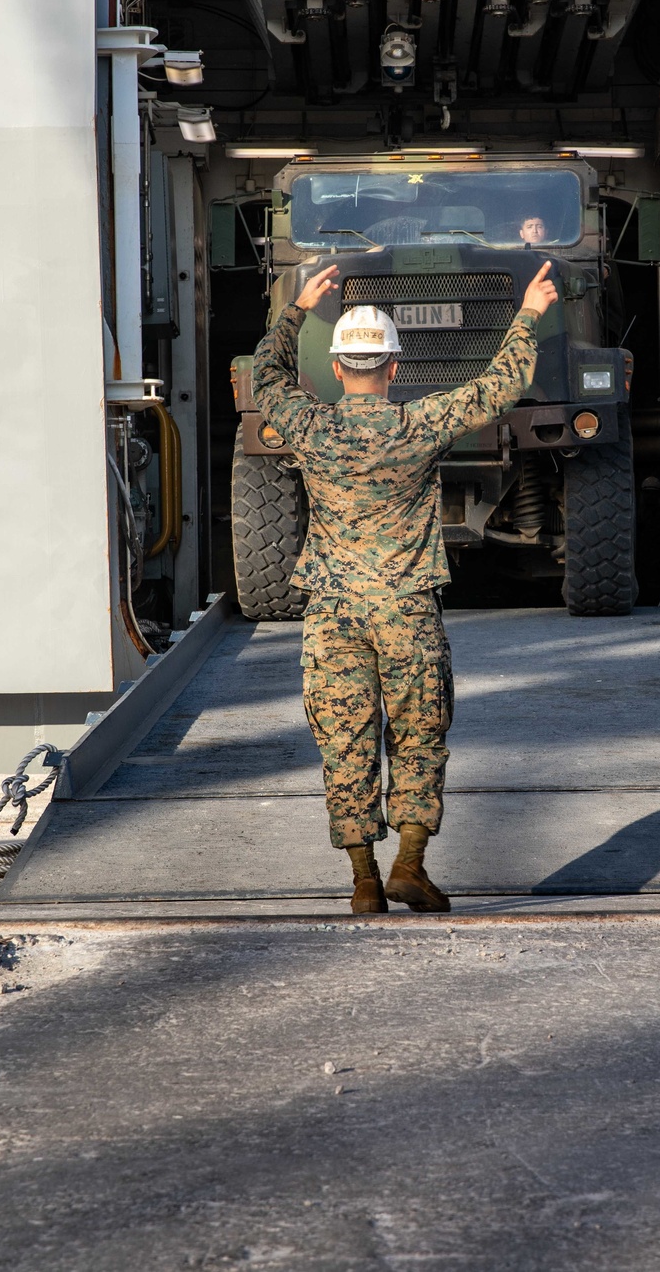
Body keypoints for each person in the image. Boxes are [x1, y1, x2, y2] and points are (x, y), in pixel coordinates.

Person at [251, 260, 559, 914]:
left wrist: (298, 307)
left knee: (345, 740)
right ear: (393, 368)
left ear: (337, 369)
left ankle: (364, 882)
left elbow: (266, 376)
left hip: (333, 615)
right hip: (407, 611)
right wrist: (527, 312)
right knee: (419, 736)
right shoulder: (419, 425)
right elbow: (497, 388)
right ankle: (410, 866)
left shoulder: (310, 426)